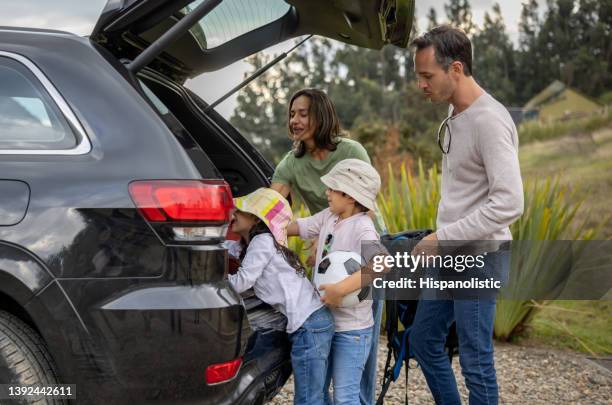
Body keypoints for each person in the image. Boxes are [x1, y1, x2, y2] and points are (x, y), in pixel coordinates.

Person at [409, 25, 524, 404]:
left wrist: (441, 238)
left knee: (476, 361)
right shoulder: (456, 112)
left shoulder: (489, 120)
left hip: (480, 259)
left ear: (455, 70)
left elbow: (509, 202)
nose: (421, 85)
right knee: (424, 340)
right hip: (452, 255)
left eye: (428, 76)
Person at [271, 88, 384, 405]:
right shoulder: (292, 163)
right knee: (328, 344)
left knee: (358, 350)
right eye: (292, 114)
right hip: (326, 258)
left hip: (358, 256)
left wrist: (324, 243)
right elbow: (277, 210)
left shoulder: (351, 151)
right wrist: (263, 226)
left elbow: (367, 210)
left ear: (321, 116)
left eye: (303, 113)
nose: (295, 120)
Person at [287, 159, 387, 405]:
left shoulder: (363, 227)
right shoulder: (329, 217)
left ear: (351, 196)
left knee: (345, 397)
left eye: (333, 188)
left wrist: (340, 289)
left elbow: (382, 263)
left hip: (352, 331)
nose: (327, 192)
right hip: (325, 325)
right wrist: (266, 227)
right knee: (319, 390)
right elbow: (300, 227)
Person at [225, 187, 334, 405]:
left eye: (239, 211)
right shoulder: (249, 244)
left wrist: (212, 283)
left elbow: (242, 281)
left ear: (256, 219)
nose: (232, 214)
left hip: (309, 325)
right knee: (316, 394)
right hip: (311, 323)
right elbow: (226, 248)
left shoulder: (262, 242)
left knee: (308, 398)